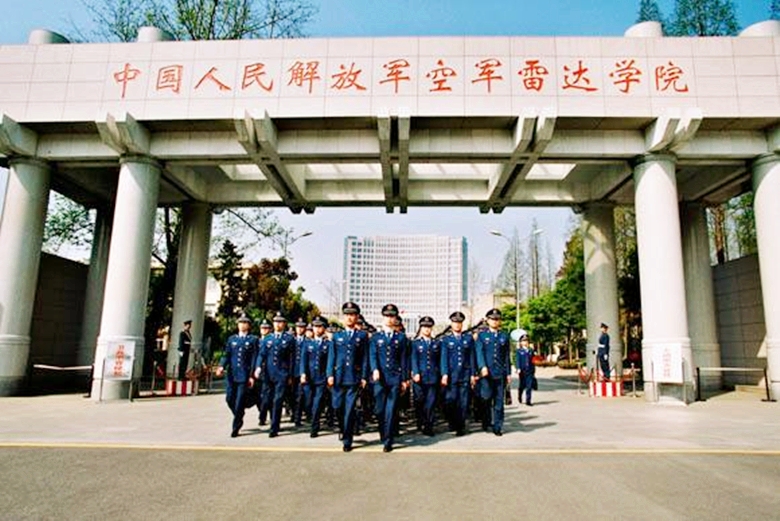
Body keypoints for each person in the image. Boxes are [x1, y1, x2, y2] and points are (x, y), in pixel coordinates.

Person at [327, 302, 369, 452]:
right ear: (343, 317)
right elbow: (331, 356)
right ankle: (343, 428)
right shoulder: (337, 335)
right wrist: (329, 374)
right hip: (338, 377)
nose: (350, 318)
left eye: (352, 315)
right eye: (347, 315)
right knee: (337, 407)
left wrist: (364, 376)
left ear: (357, 317)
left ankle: (347, 439)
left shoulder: (362, 336)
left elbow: (365, 358)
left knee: (350, 409)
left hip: (353, 377)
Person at [370, 303, 410, 453]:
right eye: (387, 316)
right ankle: (383, 431)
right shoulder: (376, 337)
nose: (389, 319)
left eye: (392, 316)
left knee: (391, 409)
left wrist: (405, 379)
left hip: (395, 378)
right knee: (379, 410)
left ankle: (388, 440)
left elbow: (404, 359)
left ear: (396, 319)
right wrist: (374, 370)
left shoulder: (401, 338)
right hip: (379, 379)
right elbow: (372, 355)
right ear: (383, 317)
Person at [216, 314, 259, 438]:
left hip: (244, 375)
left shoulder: (252, 340)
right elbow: (226, 355)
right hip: (232, 375)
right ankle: (239, 414)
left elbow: (254, 359)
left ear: (249, 325)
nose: (242, 324)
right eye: (240, 322)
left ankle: (236, 427)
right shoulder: (232, 339)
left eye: (245, 322)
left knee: (240, 400)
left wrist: (252, 376)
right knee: (229, 398)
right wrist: (221, 366)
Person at [254, 312, 296, 438]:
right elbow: (261, 354)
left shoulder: (289, 339)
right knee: (267, 400)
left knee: (278, 400)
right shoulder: (268, 338)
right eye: (276, 322)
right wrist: (257, 367)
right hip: (268, 374)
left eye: (280, 322)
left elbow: (292, 359)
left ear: (284, 324)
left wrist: (290, 375)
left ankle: (274, 427)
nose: (278, 324)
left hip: (282, 374)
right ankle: (271, 419)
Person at [475, 309, 511, 436]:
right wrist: (482, 367)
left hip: (499, 373)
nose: (495, 321)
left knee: (499, 401)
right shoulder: (482, 336)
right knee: (486, 398)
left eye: (497, 319)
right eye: (492, 319)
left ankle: (498, 426)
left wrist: (508, 373)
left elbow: (506, 356)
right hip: (486, 374)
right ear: (488, 320)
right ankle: (486, 421)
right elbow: (479, 353)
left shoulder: (504, 336)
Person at [440, 311, 476, 436]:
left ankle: (460, 426)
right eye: (455, 322)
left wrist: (472, 374)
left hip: (465, 374)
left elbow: (471, 357)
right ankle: (452, 422)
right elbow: (444, 358)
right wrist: (444, 373)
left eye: (459, 323)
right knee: (451, 400)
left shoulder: (468, 338)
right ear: (451, 323)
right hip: (451, 375)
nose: (457, 325)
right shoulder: (446, 340)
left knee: (464, 402)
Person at [300, 315, 331, 438]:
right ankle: (311, 417)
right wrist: (303, 373)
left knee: (317, 403)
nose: (317, 329)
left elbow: (329, 362)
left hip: (321, 378)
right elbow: (303, 360)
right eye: (315, 326)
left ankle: (315, 427)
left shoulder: (328, 344)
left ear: (324, 329)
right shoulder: (307, 343)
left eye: (320, 326)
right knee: (308, 402)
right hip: (309, 378)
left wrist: (329, 376)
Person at [411, 316, 440, 436]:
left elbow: (439, 360)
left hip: (433, 377)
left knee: (431, 402)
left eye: (429, 327)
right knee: (420, 401)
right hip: (420, 377)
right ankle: (420, 421)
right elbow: (413, 359)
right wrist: (415, 372)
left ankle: (429, 425)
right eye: (424, 327)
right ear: (421, 328)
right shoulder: (415, 343)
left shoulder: (436, 343)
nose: (427, 329)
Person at [255, 319, 273, 426]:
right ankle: (262, 414)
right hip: (258, 372)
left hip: (269, 372)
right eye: (262, 328)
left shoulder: (272, 340)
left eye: (266, 328)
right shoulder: (256, 341)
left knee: (268, 396)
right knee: (259, 396)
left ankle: (268, 416)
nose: (264, 330)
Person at [291, 318, 308, 427]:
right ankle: (293, 413)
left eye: (302, 327)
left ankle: (297, 417)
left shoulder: (308, 341)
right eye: (298, 327)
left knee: (300, 396)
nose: (300, 329)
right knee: (291, 395)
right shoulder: (291, 340)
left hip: (302, 372)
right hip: (291, 372)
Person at [515, 333, 536, 406]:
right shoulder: (519, 351)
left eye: (526, 341)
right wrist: (518, 368)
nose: (525, 342)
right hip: (522, 371)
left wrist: (534, 369)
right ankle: (519, 395)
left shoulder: (531, 351)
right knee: (522, 385)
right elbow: (517, 360)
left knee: (529, 386)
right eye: (523, 341)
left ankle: (528, 401)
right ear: (521, 342)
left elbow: (533, 360)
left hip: (529, 370)